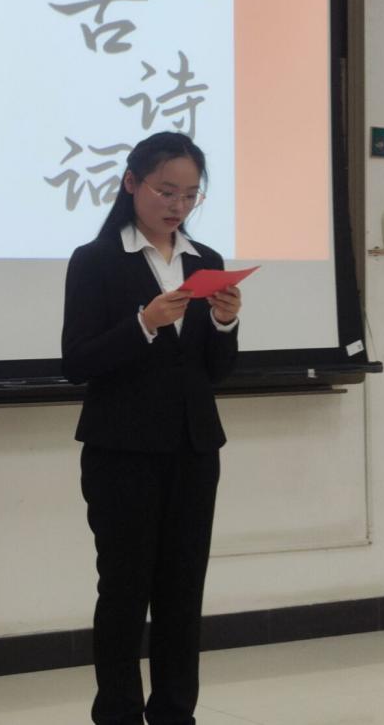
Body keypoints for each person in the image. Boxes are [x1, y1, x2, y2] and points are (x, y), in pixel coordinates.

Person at [61, 131, 243, 725]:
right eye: (166, 191)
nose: (178, 205)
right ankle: (117, 713)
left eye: (190, 195)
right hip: (122, 451)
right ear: (131, 183)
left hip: (194, 448)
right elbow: (76, 362)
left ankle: (174, 713)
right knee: (123, 591)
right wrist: (143, 323)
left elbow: (214, 372)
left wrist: (224, 324)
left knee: (182, 593)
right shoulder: (96, 260)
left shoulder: (205, 261)